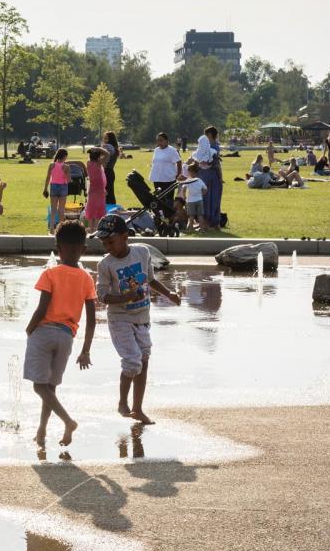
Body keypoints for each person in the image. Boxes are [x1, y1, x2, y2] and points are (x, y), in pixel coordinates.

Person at [94, 215, 181, 425]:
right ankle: (122, 402)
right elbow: (102, 297)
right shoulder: (105, 265)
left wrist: (169, 294)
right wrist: (126, 297)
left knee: (143, 360)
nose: (107, 247)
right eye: (104, 243)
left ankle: (138, 408)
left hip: (142, 317)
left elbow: (149, 279)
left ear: (125, 236)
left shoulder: (142, 252)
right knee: (132, 361)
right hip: (119, 319)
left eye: (111, 242)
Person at [22, 220, 96, 448]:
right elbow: (92, 318)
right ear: (83, 250)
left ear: (58, 248)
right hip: (66, 336)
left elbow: (42, 308)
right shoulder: (86, 278)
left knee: (38, 386)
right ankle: (42, 431)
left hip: (43, 332)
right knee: (50, 387)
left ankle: (67, 421)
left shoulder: (50, 273)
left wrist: (29, 328)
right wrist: (86, 350)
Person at [192, 126, 223, 230]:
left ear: (209, 135)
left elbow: (214, 163)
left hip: (207, 175)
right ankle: (214, 223)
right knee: (214, 198)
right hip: (212, 175)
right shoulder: (215, 146)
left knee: (206, 199)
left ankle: (206, 223)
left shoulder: (210, 147)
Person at [148, 132, 183, 215]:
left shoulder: (172, 150)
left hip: (168, 178)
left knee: (168, 199)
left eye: (161, 140)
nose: (159, 143)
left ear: (166, 141)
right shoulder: (156, 150)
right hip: (157, 178)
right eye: (158, 141)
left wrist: (178, 174)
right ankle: (161, 215)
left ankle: (170, 215)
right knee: (159, 198)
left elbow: (179, 162)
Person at [42, 148, 70, 233]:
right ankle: (62, 229)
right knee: (61, 209)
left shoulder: (51, 165)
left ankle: (51, 228)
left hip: (53, 186)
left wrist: (45, 188)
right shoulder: (66, 166)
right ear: (64, 156)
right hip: (63, 187)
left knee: (53, 209)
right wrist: (65, 173)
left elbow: (48, 178)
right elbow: (68, 180)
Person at [83, 148, 108, 232]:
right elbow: (107, 154)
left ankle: (91, 228)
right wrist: (99, 149)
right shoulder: (98, 163)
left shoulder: (88, 163)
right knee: (99, 209)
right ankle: (97, 228)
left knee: (91, 207)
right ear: (98, 157)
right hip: (100, 189)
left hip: (93, 188)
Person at [178, 163, 208, 232]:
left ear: (190, 172)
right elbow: (205, 189)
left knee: (191, 216)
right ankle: (202, 229)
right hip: (199, 200)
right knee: (200, 215)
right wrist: (201, 195)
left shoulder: (188, 181)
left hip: (191, 200)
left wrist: (184, 196)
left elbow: (184, 189)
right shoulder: (199, 180)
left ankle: (190, 228)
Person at [101, 131, 121, 205]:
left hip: (106, 172)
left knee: (107, 193)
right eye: (104, 138)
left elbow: (104, 161)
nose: (104, 140)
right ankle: (111, 209)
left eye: (106, 138)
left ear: (111, 139)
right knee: (110, 193)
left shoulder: (109, 148)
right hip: (110, 172)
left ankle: (109, 210)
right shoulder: (114, 148)